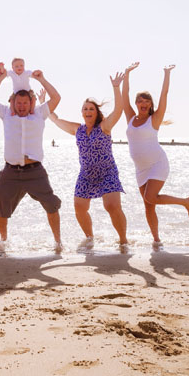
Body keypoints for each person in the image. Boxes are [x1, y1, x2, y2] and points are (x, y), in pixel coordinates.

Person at [48, 73, 130, 252]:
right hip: (86, 174)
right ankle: (89, 238)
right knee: (79, 207)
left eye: (91, 109)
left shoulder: (104, 127)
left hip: (107, 172)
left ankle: (123, 241)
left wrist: (116, 87)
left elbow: (119, 110)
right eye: (85, 109)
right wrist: (43, 103)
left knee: (111, 205)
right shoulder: (77, 129)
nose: (88, 111)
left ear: (96, 112)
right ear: (82, 112)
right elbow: (55, 119)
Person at [0, 63, 63, 253]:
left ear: (31, 103)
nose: (21, 106)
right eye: (18, 103)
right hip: (10, 172)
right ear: (13, 103)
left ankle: (58, 243)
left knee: (52, 205)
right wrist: (0, 78)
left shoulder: (39, 114)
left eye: (25, 103)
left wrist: (41, 79)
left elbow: (56, 98)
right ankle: (3, 243)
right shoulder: (6, 114)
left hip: (35, 171)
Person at [122, 62, 189, 249]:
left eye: (147, 101)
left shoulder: (154, 119)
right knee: (148, 205)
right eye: (140, 101)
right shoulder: (130, 117)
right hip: (141, 169)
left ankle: (185, 202)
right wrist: (127, 74)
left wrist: (166, 74)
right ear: (137, 104)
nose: (143, 104)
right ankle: (156, 240)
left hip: (157, 163)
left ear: (151, 105)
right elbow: (124, 97)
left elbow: (164, 95)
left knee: (151, 197)